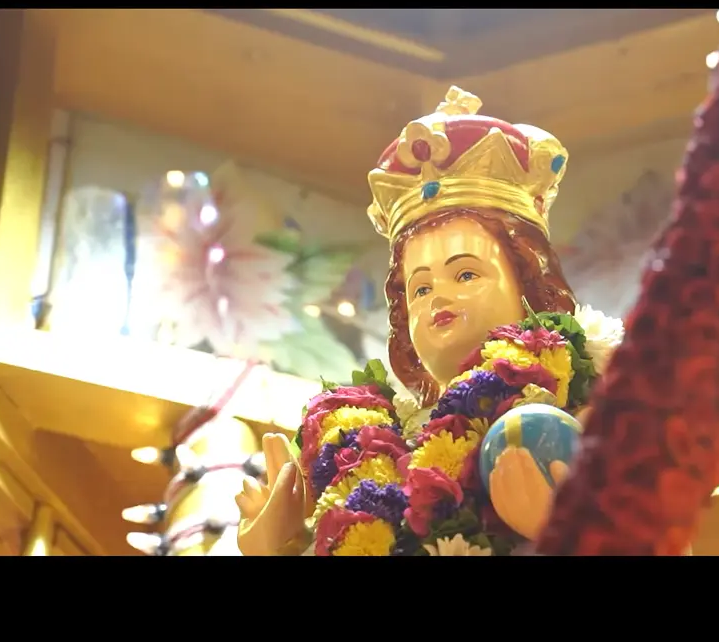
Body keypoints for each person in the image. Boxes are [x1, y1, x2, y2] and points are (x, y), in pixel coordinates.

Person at [235, 87, 623, 556]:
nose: (439, 295)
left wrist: (566, 534)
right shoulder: (369, 456)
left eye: (466, 274)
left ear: (527, 288)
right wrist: (279, 547)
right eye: (420, 288)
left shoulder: (586, 413)